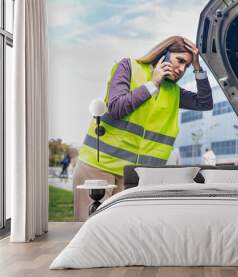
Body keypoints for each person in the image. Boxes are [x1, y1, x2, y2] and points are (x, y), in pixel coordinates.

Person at [73, 36, 213, 221]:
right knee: (88, 229)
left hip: (134, 175)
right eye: (180, 61)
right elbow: (116, 108)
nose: (181, 69)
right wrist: (153, 84)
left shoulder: (174, 92)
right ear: (164, 54)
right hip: (98, 167)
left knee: (125, 233)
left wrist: (198, 67)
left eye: (187, 66)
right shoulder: (129, 67)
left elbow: (205, 103)